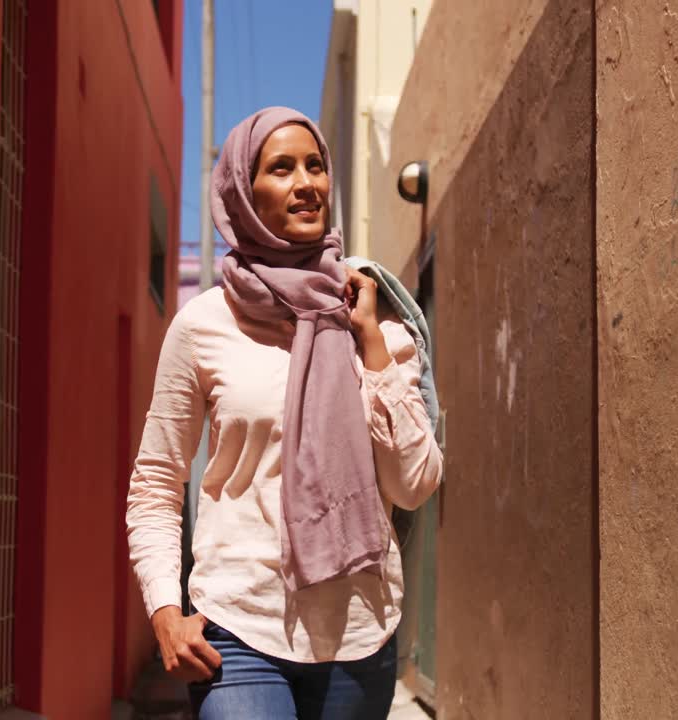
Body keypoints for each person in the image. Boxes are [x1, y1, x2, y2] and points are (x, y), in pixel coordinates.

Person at [126, 106, 443, 719]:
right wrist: (165, 610)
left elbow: (415, 483)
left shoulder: (374, 317)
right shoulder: (204, 326)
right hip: (241, 627)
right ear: (244, 192)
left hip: (360, 630)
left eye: (316, 166)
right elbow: (157, 483)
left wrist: (371, 341)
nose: (307, 183)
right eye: (281, 168)